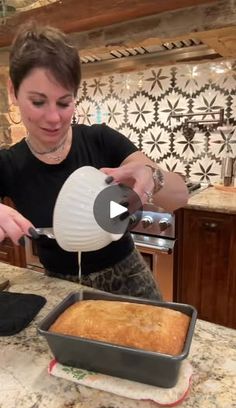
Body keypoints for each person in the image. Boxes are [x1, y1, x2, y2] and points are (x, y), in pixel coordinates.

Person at [0, 22, 188, 300]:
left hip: (130, 281)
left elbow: (180, 196)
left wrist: (154, 177)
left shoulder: (101, 140)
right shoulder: (9, 163)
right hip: (61, 290)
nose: (54, 118)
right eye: (38, 102)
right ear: (13, 91)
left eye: (64, 103)